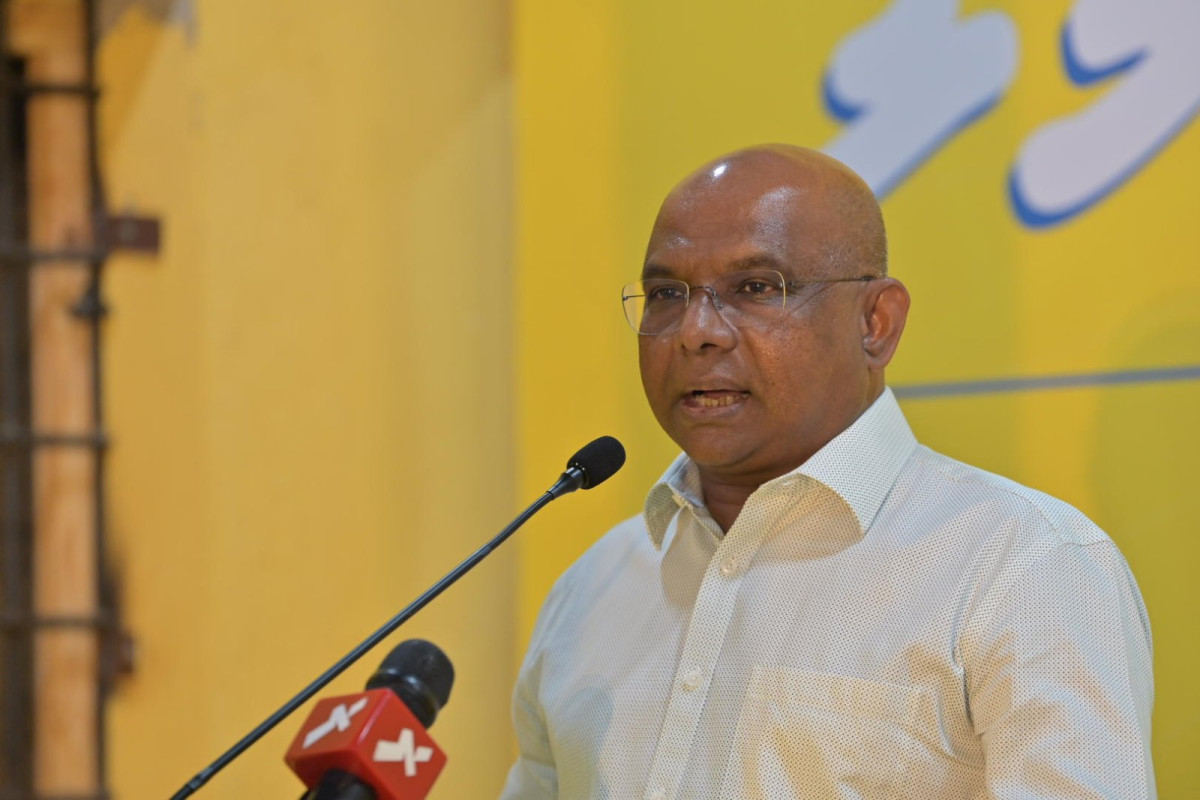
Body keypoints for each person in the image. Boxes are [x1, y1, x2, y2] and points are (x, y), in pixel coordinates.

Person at [500, 145, 1154, 799]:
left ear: (876, 323)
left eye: (756, 288)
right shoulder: (592, 590)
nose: (695, 331)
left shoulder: (1023, 567)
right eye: (667, 294)